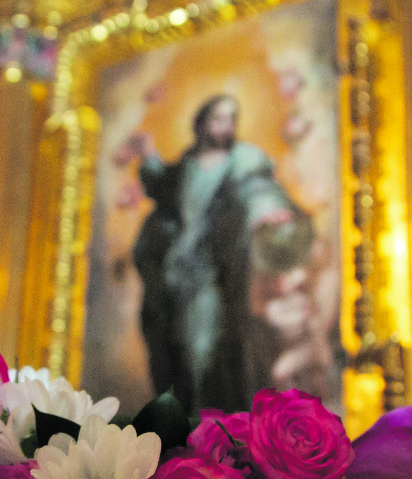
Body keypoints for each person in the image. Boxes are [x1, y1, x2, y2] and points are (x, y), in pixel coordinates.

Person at [125, 94, 312, 412]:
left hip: (212, 276)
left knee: (204, 349)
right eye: (218, 119)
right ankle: (183, 420)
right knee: (172, 348)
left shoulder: (243, 161)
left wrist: (268, 212)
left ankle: (206, 420)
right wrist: (149, 155)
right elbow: (164, 188)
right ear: (200, 124)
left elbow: (260, 192)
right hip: (175, 276)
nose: (226, 126)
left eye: (231, 119)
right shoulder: (188, 164)